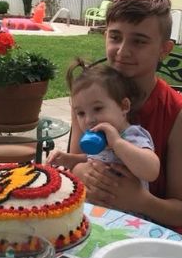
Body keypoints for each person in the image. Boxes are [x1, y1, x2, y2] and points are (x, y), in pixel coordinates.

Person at [51, 0, 182, 231]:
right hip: (94, 225)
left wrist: (140, 200)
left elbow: (179, 215)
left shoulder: (177, 113)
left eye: (139, 41)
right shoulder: (88, 103)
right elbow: (78, 164)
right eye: (115, 37)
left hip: (148, 236)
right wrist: (80, 170)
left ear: (164, 49)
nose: (122, 50)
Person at [48, 59, 160, 187]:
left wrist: (117, 143)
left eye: (98, 109)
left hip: (126, 200)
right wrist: (68, 159)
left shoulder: (132, 135)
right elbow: (92, 159)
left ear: (124, 106)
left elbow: (152, 171)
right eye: (81, 113)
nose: (89, 120)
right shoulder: (99, 140)